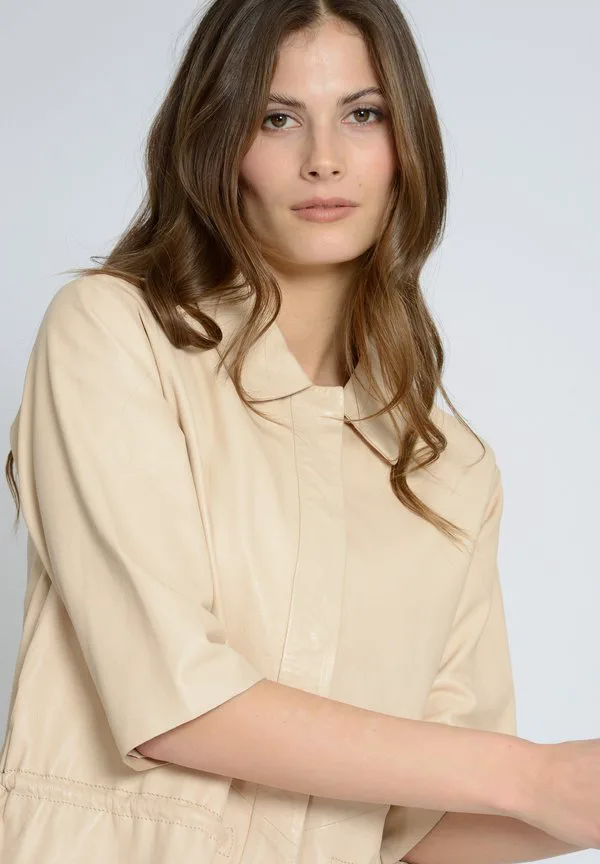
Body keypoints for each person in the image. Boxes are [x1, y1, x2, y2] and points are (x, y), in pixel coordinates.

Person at [1, 1, 599, 862]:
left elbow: (419, 831)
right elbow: (173, 701)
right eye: (276, 119)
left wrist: (569, 795)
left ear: (407, 144)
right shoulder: (116, 335)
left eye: (364, 114)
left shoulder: (446, 468)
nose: (324, 159)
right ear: (217, 142)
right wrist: (534, 778)